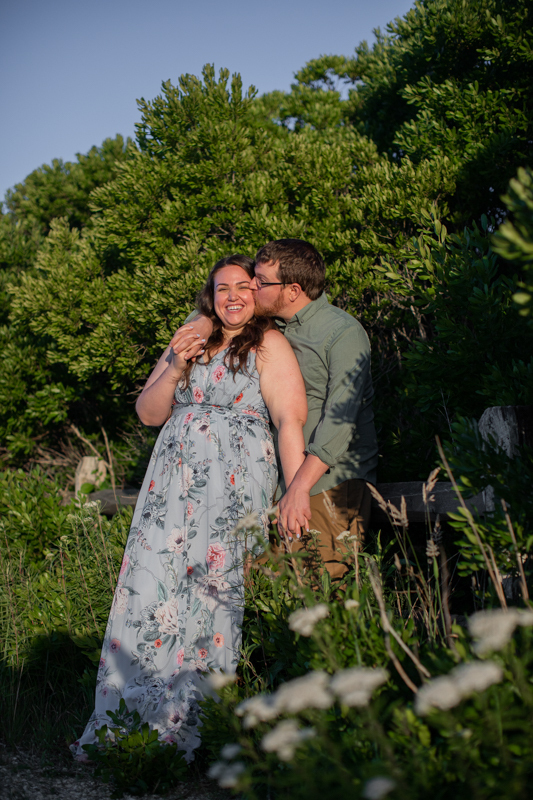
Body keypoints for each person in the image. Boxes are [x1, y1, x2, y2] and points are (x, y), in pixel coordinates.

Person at [72, 254, 307, 761]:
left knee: (214, 591)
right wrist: (178, 361)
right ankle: (133, 723)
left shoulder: (269, 343)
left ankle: (198, 726)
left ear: (258, 293)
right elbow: (148, 413)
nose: (232, 297)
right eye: (222, 288)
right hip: (171, 493)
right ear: (210, 295)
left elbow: (290, 420)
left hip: (232, 488)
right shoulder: (191, 339)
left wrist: (294, 491)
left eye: (243, 286)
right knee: (154, 587)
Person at [172, 240, 378, 581]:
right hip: (273, 484)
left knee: (320, 586)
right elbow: (218, 306)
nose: (253, 286)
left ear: (293, 290)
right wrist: (202, 324)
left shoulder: (343, 333)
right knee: (266, 595)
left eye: (261, 281)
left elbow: (341, 423)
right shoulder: (271, 324)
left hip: (328, 483)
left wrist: (299, 487)